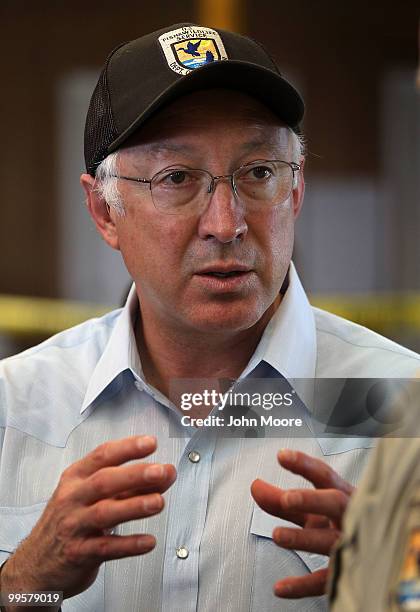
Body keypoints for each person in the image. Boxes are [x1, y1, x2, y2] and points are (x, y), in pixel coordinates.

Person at [0, 22, 419, 612]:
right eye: (177, 178)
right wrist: (23, 584)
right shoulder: (14, 410)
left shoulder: (403, 408)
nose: (226, 224)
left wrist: (391, 594)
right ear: (104, 211)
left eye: (259, 173)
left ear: (296, 193)